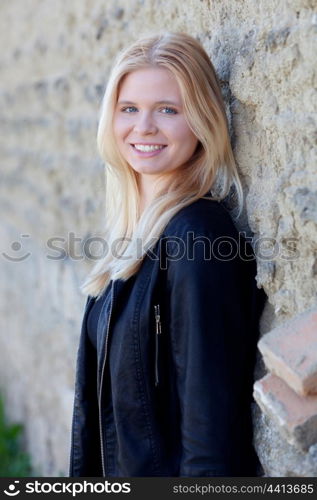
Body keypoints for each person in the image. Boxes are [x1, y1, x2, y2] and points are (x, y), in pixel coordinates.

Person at [68, 31, 267, 477]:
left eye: (168, 110)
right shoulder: (136, 237)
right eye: (130, 109)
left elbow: (211, 439)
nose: (144, 128)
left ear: (202, 120)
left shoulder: (198, 238)